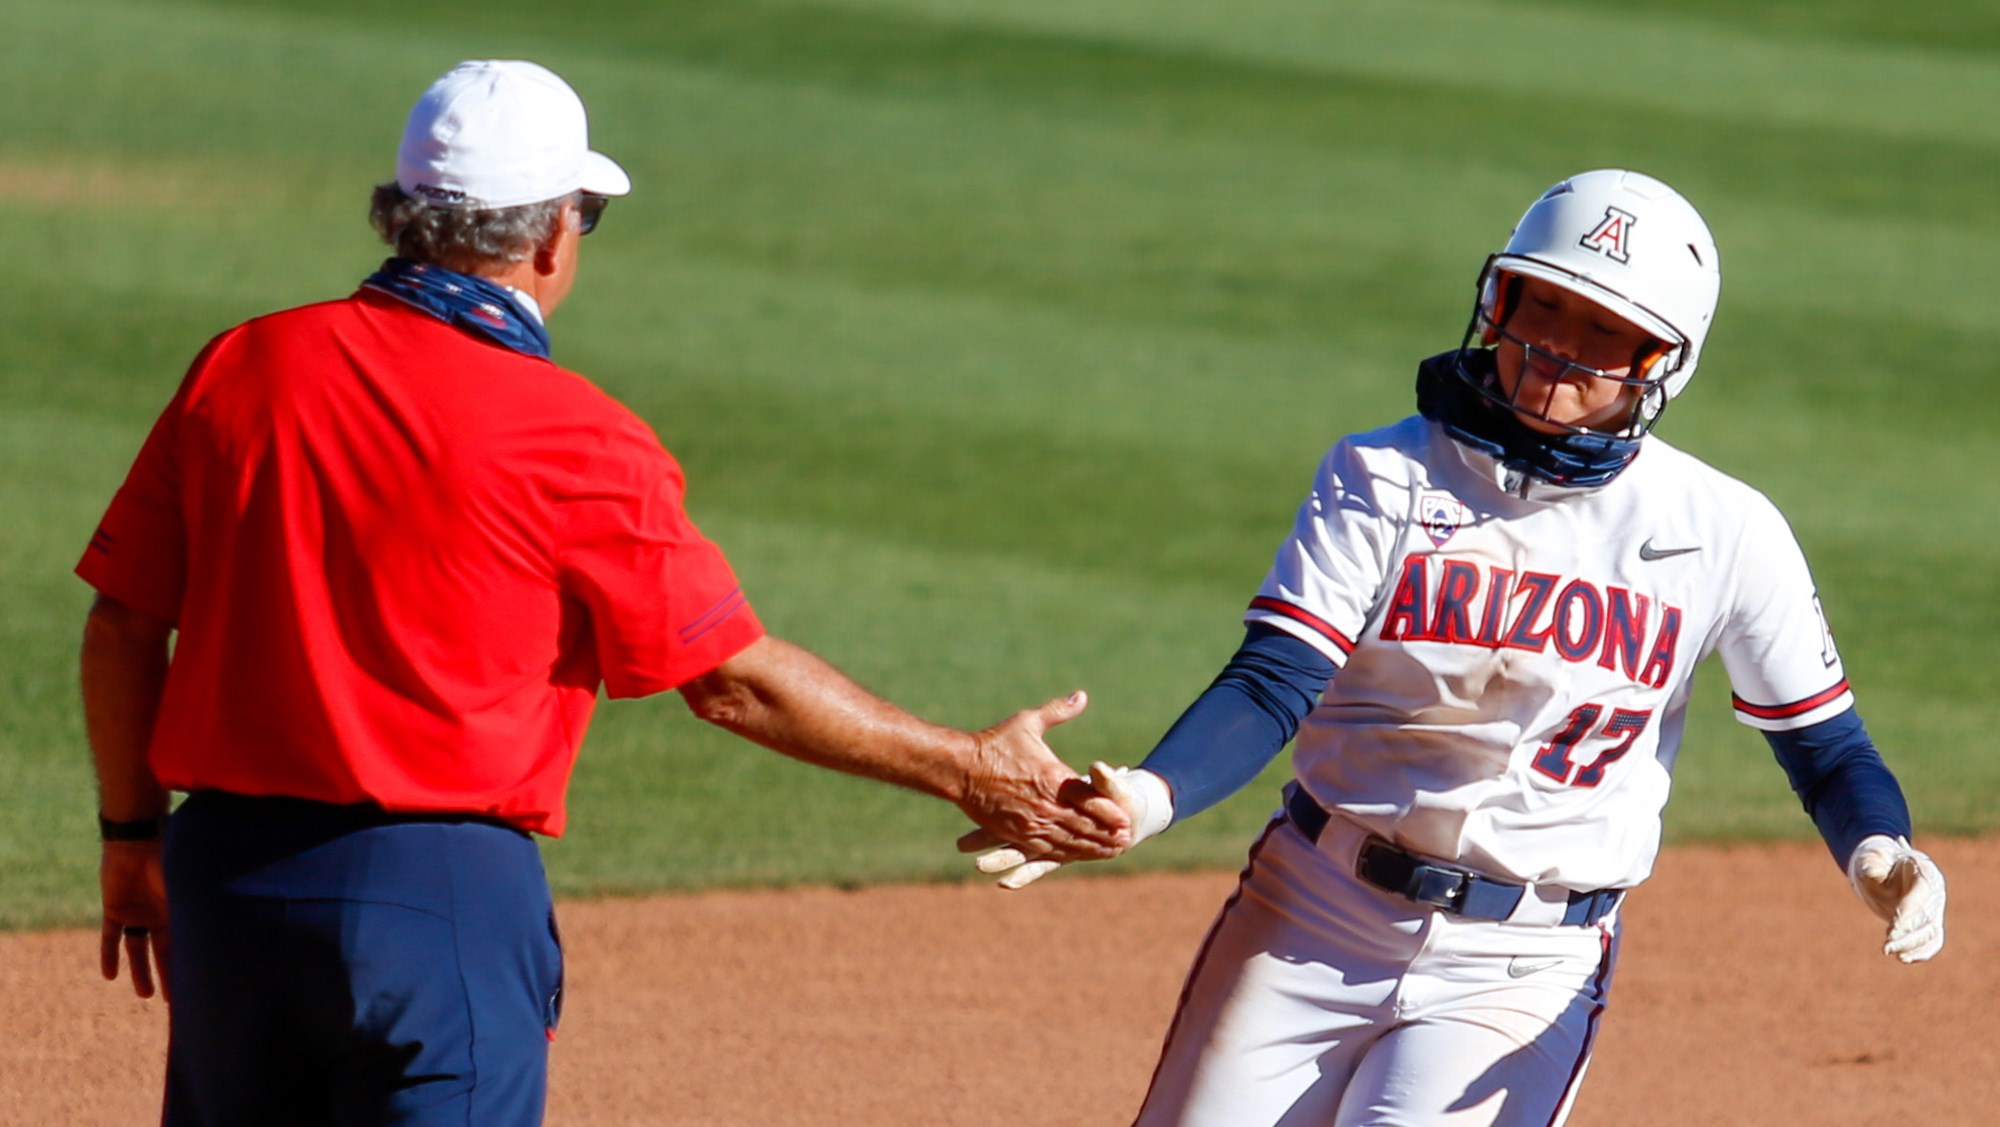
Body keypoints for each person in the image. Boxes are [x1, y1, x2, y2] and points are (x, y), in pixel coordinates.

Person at [79, 58, 1128, 1126]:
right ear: (551, 235)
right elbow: (730, 682)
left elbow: (122, 622)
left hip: (228, 883)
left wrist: (129, 837)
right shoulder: (574, 435)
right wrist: (966, 766)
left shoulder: (245, 365)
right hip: (436, 897)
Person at [967, 169, 1948, 1126]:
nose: (1557, 346)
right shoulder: (1383, 472)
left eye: (1604, 330)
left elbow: (1825, 748)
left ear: (1662, 361)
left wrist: (1876, 846)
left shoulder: (1723, 530)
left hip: (1525, 967)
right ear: (1497, 299)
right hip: (1310, 914)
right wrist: (1145, 798)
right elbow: (1273, 679)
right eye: (1542, 304)